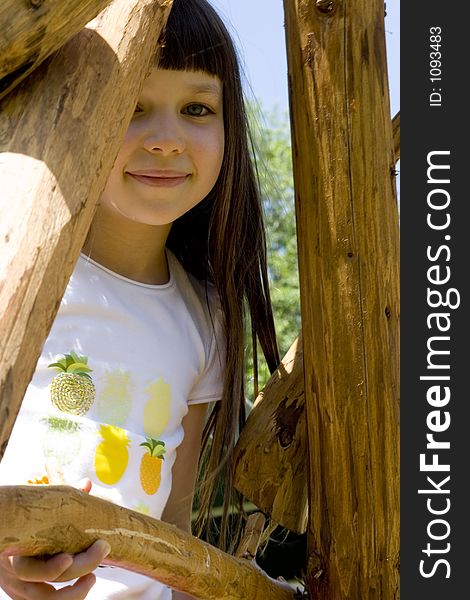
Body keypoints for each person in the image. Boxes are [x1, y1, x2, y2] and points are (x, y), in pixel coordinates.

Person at [0, 0, 280, 598]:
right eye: (132, 105)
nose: (165, 139)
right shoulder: (14, 270)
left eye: (197, 108)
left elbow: (176, 532)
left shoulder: (206, 318)